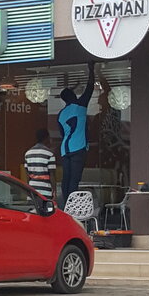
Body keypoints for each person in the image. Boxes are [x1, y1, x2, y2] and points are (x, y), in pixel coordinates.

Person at [58, 60, 96, 204]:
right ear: (72, 96)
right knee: (75, 179)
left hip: (64, 149)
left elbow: (62, 134)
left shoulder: (61, 114)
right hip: (78, 147)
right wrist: (91, 70)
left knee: (66, 179)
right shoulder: (80, 105)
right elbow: (90, 88)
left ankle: (65, 205)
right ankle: (72, 207)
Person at [24, 129, 56, 201]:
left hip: (32, 190)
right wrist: (54, 192)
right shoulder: (50, 154)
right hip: (46, 191)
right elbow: (52, 175)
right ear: (47, 138)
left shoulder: (28, 153)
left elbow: (27, 175)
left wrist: (28, 190)